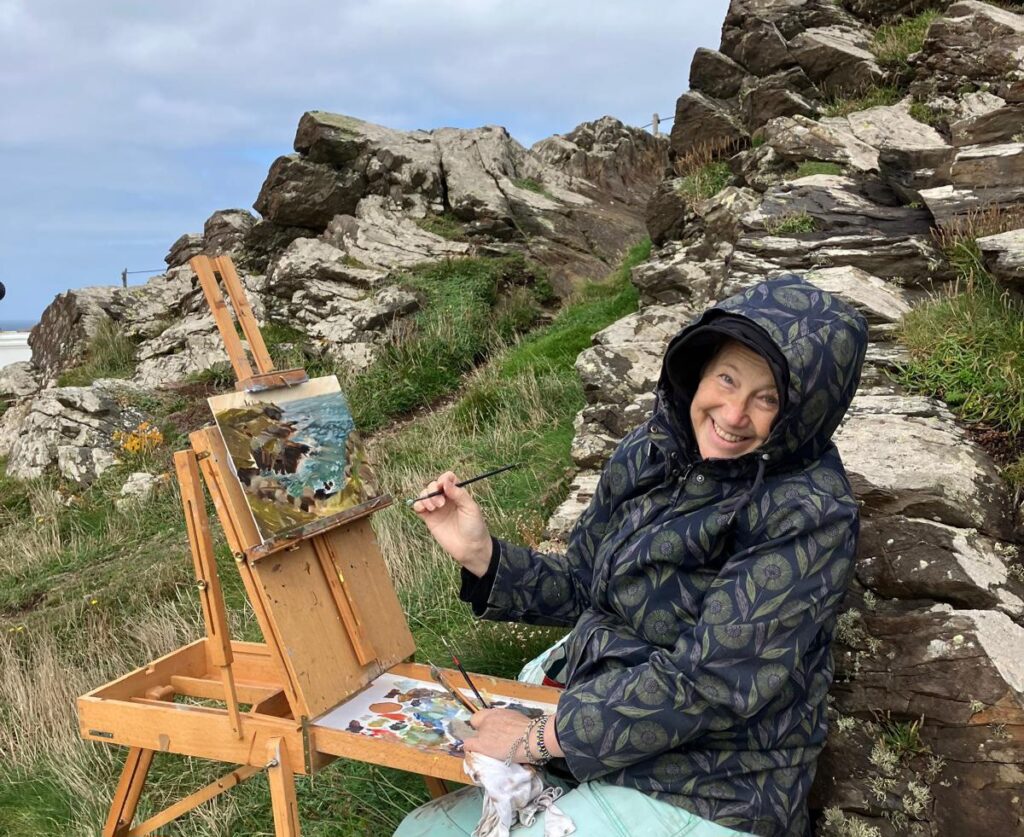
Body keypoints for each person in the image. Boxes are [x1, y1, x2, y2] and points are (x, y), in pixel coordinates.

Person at [396, 274, 868, 837]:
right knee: (418, 832)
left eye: (767, 399)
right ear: (699, 370)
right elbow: (586, 582)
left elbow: (713, 685)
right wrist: (482, 555)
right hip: (600, 730)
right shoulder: (653, 451)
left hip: (715, 782)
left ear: (804, 413)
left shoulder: (810, 514)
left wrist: (536, 739)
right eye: (727, 378)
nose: (733, 413)